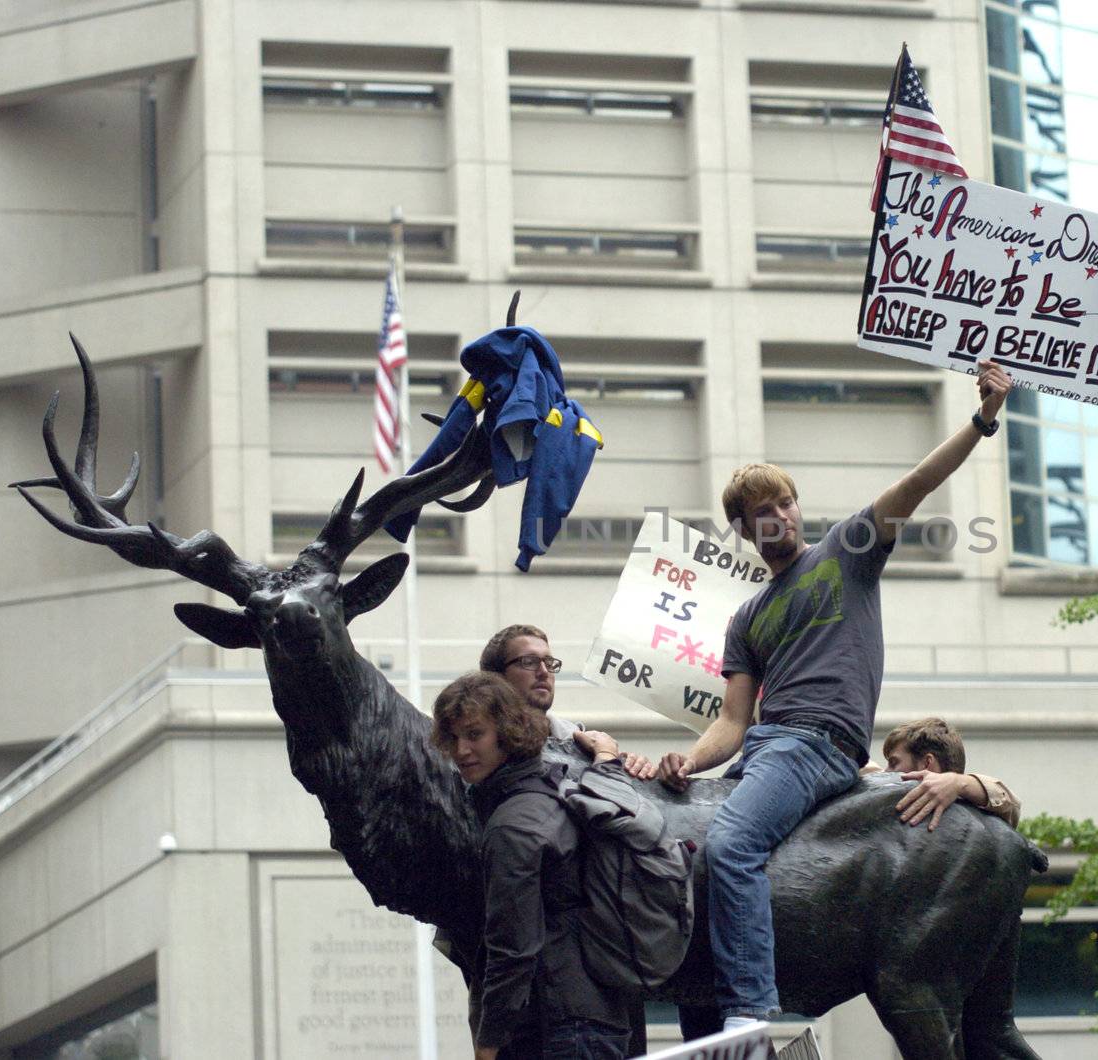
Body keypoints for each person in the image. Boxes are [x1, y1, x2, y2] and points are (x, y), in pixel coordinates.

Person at [655, 359, 1012, 1030]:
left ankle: (752, 1009)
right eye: (762, 513)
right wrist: (685, 762)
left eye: (784, 502)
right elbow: (730, 723)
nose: (780, 517)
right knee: (694, 862)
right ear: (744, 529)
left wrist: (983, 419)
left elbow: (916, 483)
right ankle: (704, 1031)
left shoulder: (846, 551)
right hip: (760, 752)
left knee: (731, 847)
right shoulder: (745, 617)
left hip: (817, 745)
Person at [432, 670, 632, 1060]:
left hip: (557, 1027)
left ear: (507, 732)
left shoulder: (512, 824)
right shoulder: (548, 789)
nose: (461, 751)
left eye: (475, 735)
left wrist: (488, 1043)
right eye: (453, 738)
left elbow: (513, 948)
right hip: (594, 1017)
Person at [480, 623, 657, 780]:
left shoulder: (584, 744)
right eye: (529, 661)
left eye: (549, 663)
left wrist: (640, 771)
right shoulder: (472, 749)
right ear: (496, 677)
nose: (544, 672)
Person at [875, 716, 1021, 830]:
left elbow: (1012, 806)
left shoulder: (972, 812)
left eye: (894, 763)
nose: (886, 771)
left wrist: (958, 782)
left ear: (927, 763)